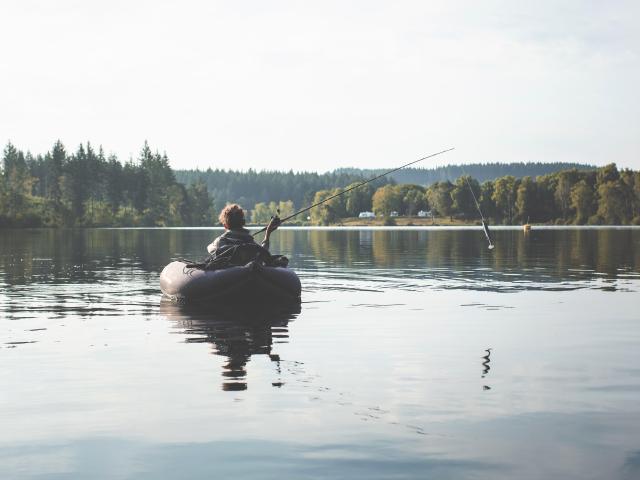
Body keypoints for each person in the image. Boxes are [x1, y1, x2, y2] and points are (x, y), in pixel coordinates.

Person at [207, 204, 281, 255]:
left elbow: (210, 248)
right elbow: (263, 252)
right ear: (243, 223)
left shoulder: (220, 241)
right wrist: (267, 233)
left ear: (225, 225)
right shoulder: (250, 242)